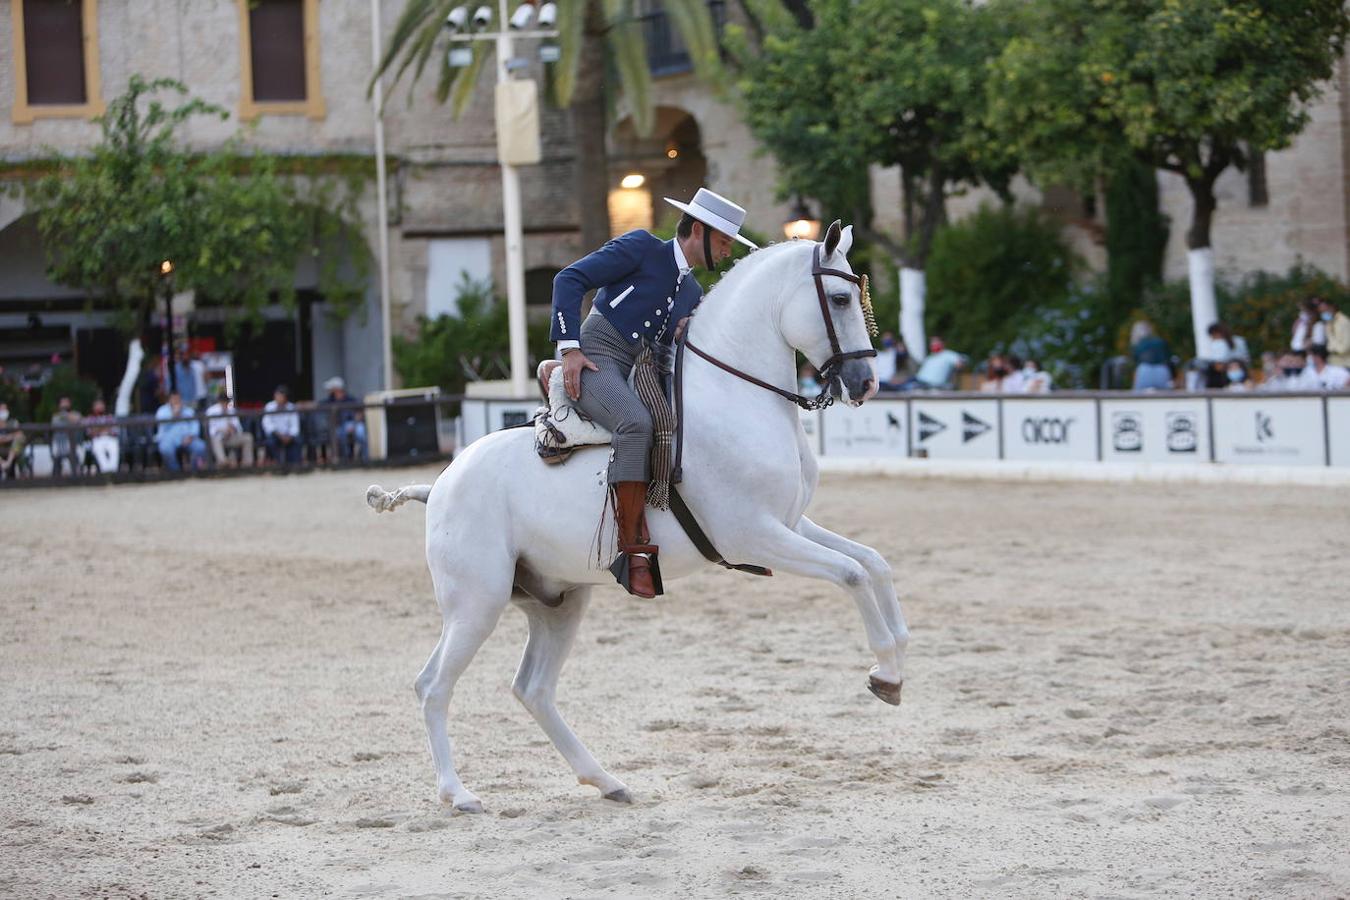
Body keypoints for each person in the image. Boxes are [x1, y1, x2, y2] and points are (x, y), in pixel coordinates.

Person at [546, 187, 756, 599]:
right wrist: (569, 349)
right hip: (598, 355)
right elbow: (569, 278)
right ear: (699, 230)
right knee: (635, 423)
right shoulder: (641, 247)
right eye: (726, 240)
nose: (730, 250)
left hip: (641, 369)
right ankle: (632, 550)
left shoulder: (694, 293)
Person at [154, 390, 209, 471]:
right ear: (169, 400)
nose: (176, 401)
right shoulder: (162, 411)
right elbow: (161, 427)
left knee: (201, 447)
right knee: (165, 449)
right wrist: (173, 415)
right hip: (168, 439)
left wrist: (191, 436)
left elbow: (195, 426)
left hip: (187, 438)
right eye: (174, 399)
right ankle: (176, 472)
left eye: (178, 399)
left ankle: (194, 470)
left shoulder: (188, 410)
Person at [321, 376, 367, 462]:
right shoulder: (330, 400)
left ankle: (365, 459)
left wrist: (354, 424)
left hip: (353, 424)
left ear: (337, 389)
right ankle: (345, 459)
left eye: (331, 388)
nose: (329, 391)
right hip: (338, 426)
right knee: (339, 433)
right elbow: (318, 405)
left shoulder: (350, 399)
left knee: (361, 432)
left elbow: (360, 412)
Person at [205, 390, 255, 468]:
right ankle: (223, 462)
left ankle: (247, 464)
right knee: (216, 439)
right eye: (222, 402)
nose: (224, 404)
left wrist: (233, 429)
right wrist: (223, 430)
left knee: (248, 437)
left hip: (231, 437)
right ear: (219, 401)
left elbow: (239, 428)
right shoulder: (211, 411)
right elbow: (211, 431)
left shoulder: (231, 410)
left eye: (226, 402)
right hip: (218, 438)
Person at [262, 385, 302, 466]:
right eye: (277, 395)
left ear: (286, 397)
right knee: (271, 442)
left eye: (281, 396)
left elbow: (295, 426)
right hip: (275, 434)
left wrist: (289, 436)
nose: (278, 398)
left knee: (298, 440)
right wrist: (279, 435)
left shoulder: (291, 407)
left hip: (289, 436)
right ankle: (279, 464)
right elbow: (267, 424)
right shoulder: (270, 406)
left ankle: (294, 465)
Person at [49, 396, 82, 477]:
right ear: (59, 405)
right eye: (62, 402)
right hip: (58, 443)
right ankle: (56, 478)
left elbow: (78, 419)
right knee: (56, 457)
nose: (64, 404)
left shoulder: (75, 413)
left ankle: (76, 477)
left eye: (66, 402)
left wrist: (66, 415)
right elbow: (55, 425)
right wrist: (68, 417)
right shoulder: (55, 416)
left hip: (72, 442)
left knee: (76, 456)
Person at [84, 398, 120, 473]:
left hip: (110, 438)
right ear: (93, 407)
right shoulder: (90, 418)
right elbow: (89, 432)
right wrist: (104, 428)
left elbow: (115, 431)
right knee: (98, 449)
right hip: (97, 439)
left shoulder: (110, 417)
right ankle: (106, 471)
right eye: (97, 405)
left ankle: (113, 470)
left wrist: (99, 429)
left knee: (114, 447)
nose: (99, 407)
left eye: (101, 405)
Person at [1320, 298, 1350, 367]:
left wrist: (1331, 349)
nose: (1323, 313)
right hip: (1333, 363)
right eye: (1321, 311)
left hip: (1345, 364)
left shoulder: (1343, 322)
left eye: (1325, 310)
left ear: (1332, 307)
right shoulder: (1329, 323)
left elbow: (1345, 347)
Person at [0, 403, 27, 480]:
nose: (3, 411)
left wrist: (6, 438)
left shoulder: (13, 422)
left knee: (18, 443)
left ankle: (7, 464)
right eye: (1, 409)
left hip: (12, 449)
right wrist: (11, 436)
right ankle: (3, 465)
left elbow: (20, 435)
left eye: (4, 409)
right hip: (1, 449)